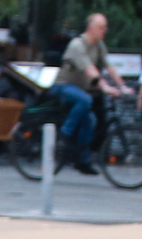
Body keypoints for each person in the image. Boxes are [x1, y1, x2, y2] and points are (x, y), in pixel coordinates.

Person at [54, 12, 130, 176]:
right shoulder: (77, 45)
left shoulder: (99, 46)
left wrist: (122, 86)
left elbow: (109, 67)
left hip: (80, 90)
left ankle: (82, 161)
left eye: (105, 27)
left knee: (91, 121)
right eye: (101, 27)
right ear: (90, 28)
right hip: (63, 86)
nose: (105, 30)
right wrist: (106, 87)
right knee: (86, 100)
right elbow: (91, 70)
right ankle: (64, 135)